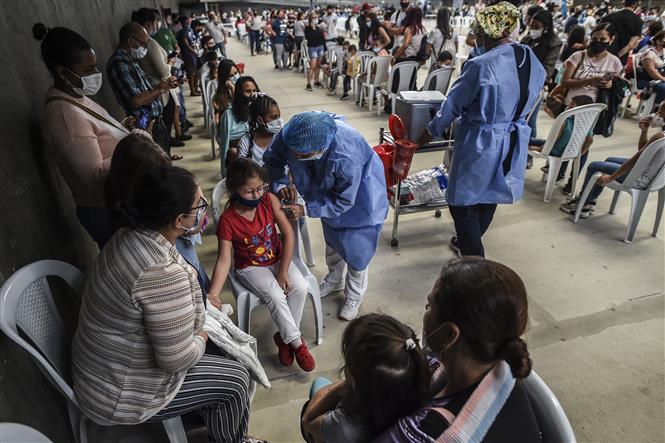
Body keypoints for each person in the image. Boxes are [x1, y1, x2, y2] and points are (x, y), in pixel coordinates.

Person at [71, 165, 251, 442]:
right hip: (119, 395)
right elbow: (176, 359)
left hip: (100, 368)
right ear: (180, 220)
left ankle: (204, 413)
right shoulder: (161, 273)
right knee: (236, 378)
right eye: (199, 205)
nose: (202, 210)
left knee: (221, 349)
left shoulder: (126, 235)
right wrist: (201, 336)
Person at [417, 2, 546, 257]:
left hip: (482, 140)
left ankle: (474, 260)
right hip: (514, 137)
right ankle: (466, 243)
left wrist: (426, 135)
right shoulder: (530, 57)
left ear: (485, 33)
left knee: (460, 203)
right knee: (491, 192)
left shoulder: (481, 65)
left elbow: (451, 106)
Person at [373, 258, 541, 442]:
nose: (426, 312)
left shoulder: (422, 434)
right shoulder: (505, 370)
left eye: (429, 307)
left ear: (449, 334)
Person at [264, 111, 388, 320]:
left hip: (361, 199)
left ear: (321, 148)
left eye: (302, 156)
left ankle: (354, 294)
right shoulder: (292, 134)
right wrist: (282, 183)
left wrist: (308, 209)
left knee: (358, 250)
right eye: (293, 154)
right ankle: (335, 279)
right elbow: (273, 161)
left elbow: (344, 200)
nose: (295, 159)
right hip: (323, 190)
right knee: (333, 238)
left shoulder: (346, 155)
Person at [35, 24, 139, 248]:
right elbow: (94, 175)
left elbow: (93, 136)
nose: (95, 75)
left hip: (118, 201)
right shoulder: (63, 114)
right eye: (88, 70)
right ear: (63, 72)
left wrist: (120, 130)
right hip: (106, 210)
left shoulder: (74, 96)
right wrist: (136, 145)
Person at [208, 159, 315, 372]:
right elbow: (224, 259)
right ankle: (296, 343)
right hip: (250, 267)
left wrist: (283, 270)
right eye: (249, 191)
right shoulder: (228, 221)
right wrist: (213, 294)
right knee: (275, 294)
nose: (257, 195)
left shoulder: (269, 200)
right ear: (233, 190)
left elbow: (288, 235)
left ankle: (283, 338)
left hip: (277, 259)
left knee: (300, 287)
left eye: (260, 188)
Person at [104, 134, 211, 300]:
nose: (169, 181)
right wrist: (196, 289)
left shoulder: (130, 225)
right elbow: (187, 321)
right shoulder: (161, 270)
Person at [301, 314, 431, 442]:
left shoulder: (345, 426)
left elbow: (308, 422)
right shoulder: (411, 389)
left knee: (318, 386)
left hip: (337, 432)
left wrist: (342, 388)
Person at [561, 101, 665, 218]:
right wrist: (644, 131)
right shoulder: (661, 135)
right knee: (609, 159)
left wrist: (612, 177)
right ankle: (590, 200)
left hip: (639, 177)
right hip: (652, 177)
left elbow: (636, 159)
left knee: (594, 166)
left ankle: (582, 205)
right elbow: (644, 150)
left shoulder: (660, 136)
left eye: (660, 113)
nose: (656, 115)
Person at [106, 22, 178, 156]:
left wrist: (164, 85)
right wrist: (160, 90)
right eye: (144, 44)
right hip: (145, 124)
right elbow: (136, 101)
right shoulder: (119, 63)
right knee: (157, 167)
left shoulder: (130, 61)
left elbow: (144, 92)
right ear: (131, 41)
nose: (145, 48)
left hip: (154, 122)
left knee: (164, 162)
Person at [133, 8, 189, 152]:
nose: (157, 25)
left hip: (160, 87)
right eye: (155, 22)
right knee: (163, 126)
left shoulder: (149, 42)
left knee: (165, 125)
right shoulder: (149, 43)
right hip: (159, 89)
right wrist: (170, 62)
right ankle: (166, 155)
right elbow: (163, 70)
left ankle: (167, 151)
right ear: (149, 23)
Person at [529, 95, 595, 183]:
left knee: (528, 141)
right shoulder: (587, 124)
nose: (569, 106)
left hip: (555, 150)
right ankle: (560, 173)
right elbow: (590, 140)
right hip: (570, 152)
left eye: (572, 104)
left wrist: (540, 148)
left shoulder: (566, 121)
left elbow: (553, 139)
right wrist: (579, 155)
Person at [521, 9, 563, 148]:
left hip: (535, 87)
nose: (532, 30)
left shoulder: (554, 43)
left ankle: (527, 155)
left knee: (529, 121)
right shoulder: (528, 39)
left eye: (536, 27)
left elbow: (547, 69)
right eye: (531, 26)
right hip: (518, 84)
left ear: (546, 27)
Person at [238, 94, 283, 165]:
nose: (279, 121)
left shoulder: (282, 138)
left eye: (279, 116)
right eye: (274, 117)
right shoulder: (246, 143)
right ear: (259, 120)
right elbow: (242, 171)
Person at [600, 0, 642, 65]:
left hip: (602, 54)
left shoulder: (610, 16)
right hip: (620, 58)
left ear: (624, 3)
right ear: (635, 4)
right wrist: (616, 57)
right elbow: (631, 44)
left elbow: (599, 33)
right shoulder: (638, 20)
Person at [227, 76, 259, 161]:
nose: (252, 95)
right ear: (239, 93)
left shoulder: (261, 109)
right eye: (248, 91)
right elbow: (226, 140)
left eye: (254, 91)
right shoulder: (229, 114)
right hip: (240, 150)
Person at [637, 30, 665, 104]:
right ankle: (655, 108)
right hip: (645, 80)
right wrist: (663, 79)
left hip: (657, 79)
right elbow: (652, 72)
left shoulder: (663, 52)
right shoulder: (649, 53)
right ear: (658, 41)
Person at [176, 16, 201, 96]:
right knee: (190, 73)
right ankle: (192, 91)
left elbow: (192, 41)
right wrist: (194, 51)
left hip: (193, 54)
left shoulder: (189, 31)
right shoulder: (182, 32)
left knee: (196, 72)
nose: (189, 24)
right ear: (184, 23)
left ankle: (196, 88)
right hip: (187, 54)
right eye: (187, 22)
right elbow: (186, 45)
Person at [305, 12, 326, 90]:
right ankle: (308, 83)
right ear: (310, 19)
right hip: (313, 48)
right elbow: (309, 38)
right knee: (312, 66)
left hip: (320, 47)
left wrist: (325, 48)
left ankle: (316, 81)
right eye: (314, 18)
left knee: (318, 66)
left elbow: (322, 38)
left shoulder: (319, 28)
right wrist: (313, 27)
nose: (316, 19)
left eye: (317, 17)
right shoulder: (307, 28)